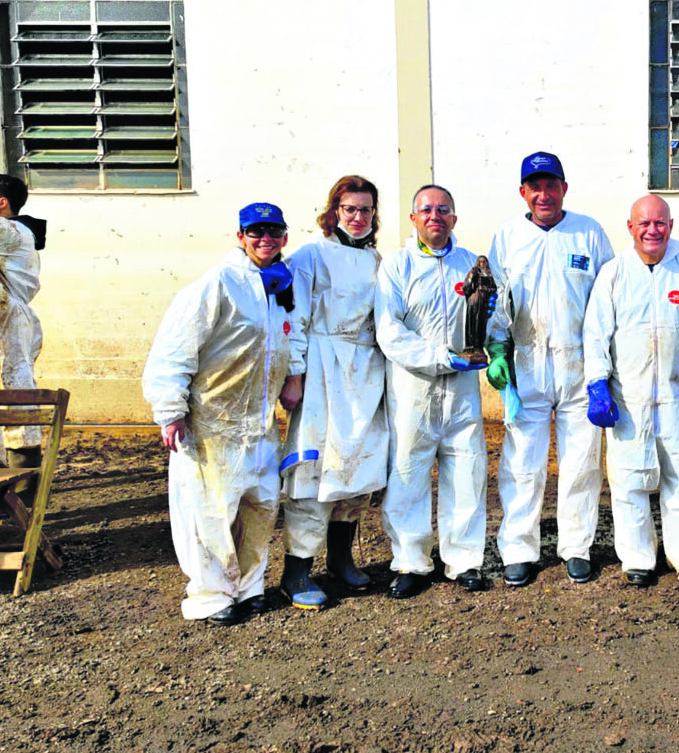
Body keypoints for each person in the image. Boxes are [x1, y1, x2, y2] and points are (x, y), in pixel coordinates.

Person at [142, 203, 304, 626]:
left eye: (273, 231)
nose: (264, 239)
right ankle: (211, 594)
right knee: (210, 512)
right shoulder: (216, 285)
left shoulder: (280, 286)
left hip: (259, 424)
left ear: (284, 237)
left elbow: (291, 334)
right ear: (240, 236)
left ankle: (249, 587)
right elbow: (173, 351)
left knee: (260, 505)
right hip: (212, 425)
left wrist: (294, 375)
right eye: (255, 232)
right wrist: (171, 410)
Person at [582, 195, 679, 586]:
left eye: (659, 222)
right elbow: (596, 335)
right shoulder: (613, 275)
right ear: (630, 227)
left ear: (670, 225)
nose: (652, 229)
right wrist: (597, 382)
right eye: (643, 223)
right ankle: (638, 560)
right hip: (628, 401)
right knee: (629, 482)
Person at [485, 151, 614, 587]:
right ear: (523, 191)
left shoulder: (589, 233)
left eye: (551, 184)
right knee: (523, 461)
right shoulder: (507, 237)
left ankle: (576, 547)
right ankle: (519, 548)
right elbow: (496, 304)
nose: (543, 194)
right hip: (528, 361)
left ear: (564, 187)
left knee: (581, 460)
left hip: (580, 362)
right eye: (534, 186)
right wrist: (498, 351)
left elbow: (607, 299)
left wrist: (603, 369)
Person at [278, 176, 390, 610]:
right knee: (314, 468)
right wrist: (295, 374)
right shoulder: (311, 255)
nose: (358, 217)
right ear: (335, 211)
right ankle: (297, 570)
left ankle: (341, 558)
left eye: (366, 209)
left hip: (365, 370)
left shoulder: (379, 260)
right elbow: (296, 318)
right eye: (350, 209)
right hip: (324, 368)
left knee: (357, 465)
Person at [376, 184, 489, 596]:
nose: (434, 216)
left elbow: (491, 319)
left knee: (466, 470)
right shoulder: (397, 266)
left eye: (443, 210)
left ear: (454, 219)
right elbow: (390, 332)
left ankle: (463, 560)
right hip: (413, 389)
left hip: (462, 392)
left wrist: (489, 338)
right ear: (413, 219)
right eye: (426, 209)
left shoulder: (471, 265)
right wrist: (443, 356)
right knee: (408, 471)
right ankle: (410, 561)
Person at [0, 174, 45, 469]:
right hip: (5, 314)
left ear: (1, 202)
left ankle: (23, 466)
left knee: (16, 380)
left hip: (12, 315)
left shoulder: (11, 231)